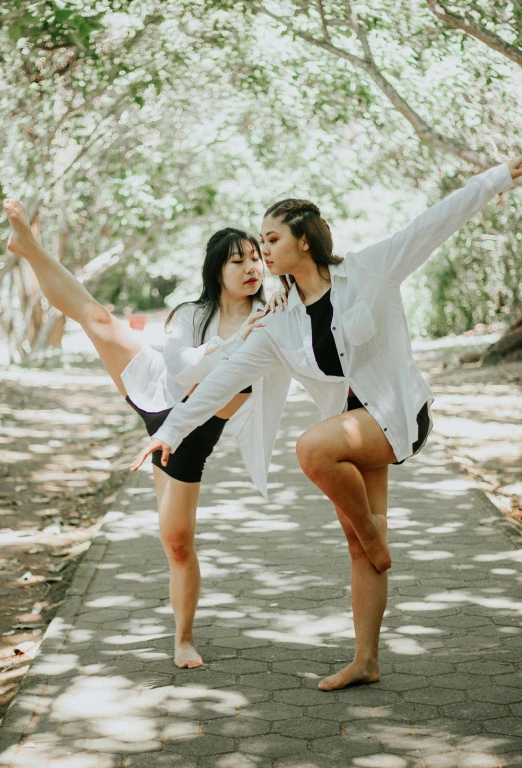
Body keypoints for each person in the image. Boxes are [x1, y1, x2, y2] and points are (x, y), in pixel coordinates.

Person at [131, 158, 522, 690]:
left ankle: (375, 538)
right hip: (354, 431)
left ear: (304, 242)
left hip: (397, 416)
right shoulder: (279, 320)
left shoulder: (369, 270)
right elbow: (222, 379)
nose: (262, 250)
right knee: (358, 545)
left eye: (271, 239)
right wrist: (169, 431)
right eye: (260, 241)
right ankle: (366, 659)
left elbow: (433, 223)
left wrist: (496, 179)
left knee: (312, 451)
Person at [2, 207, 290, 668]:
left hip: (195, 430)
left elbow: (224, 389)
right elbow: (183, 370)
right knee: (93, 316)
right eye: (238, 261)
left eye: (256, 257)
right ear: (217, 270)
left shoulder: (274, 314)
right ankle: (29, 249)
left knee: (176, 541)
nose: (252, 267)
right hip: (157, 390)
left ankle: (183, 639)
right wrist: (233, 347)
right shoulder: (189, 314)